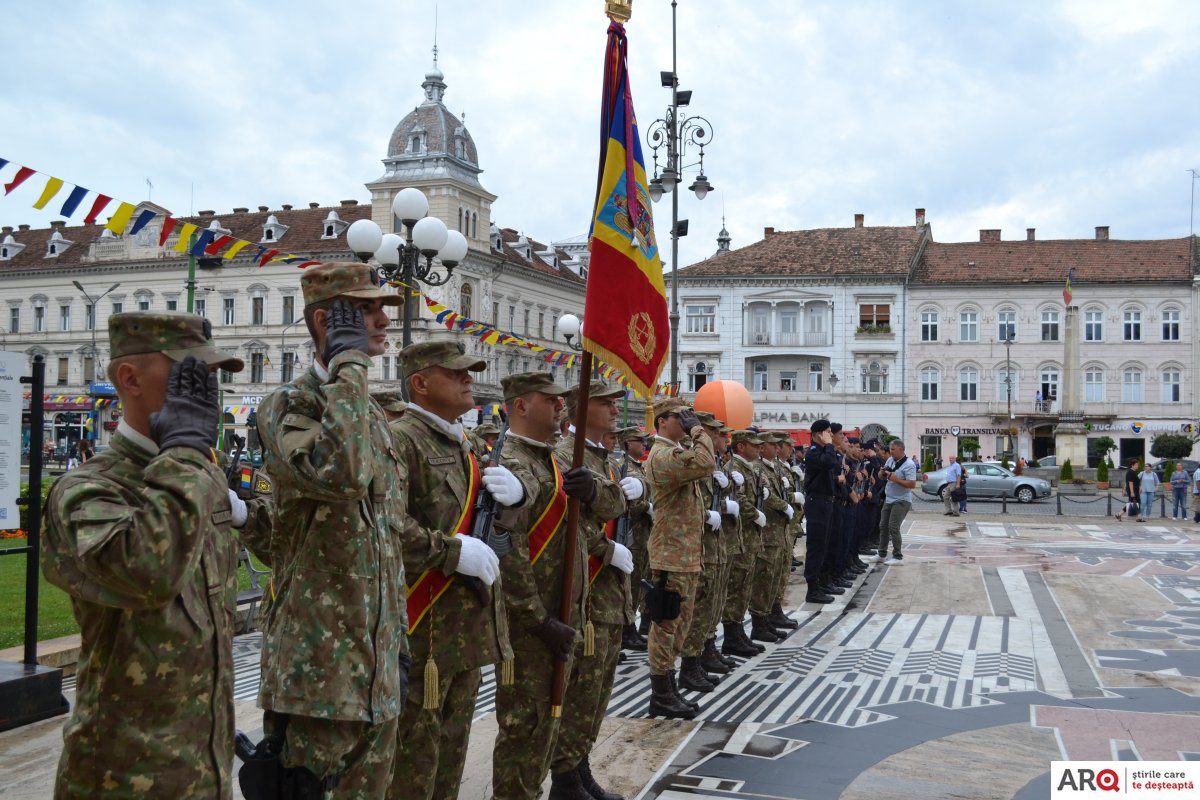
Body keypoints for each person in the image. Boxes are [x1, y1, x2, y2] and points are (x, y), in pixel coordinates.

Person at [42, 312, 270, 798]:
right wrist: (186, 451)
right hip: (121, 777)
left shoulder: (199, 475)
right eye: (191, 375)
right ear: (129, 379)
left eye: (209, 377)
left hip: (203, 768)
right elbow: (148, 572)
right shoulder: (88, 488)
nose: (206, 392)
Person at [255, 262, 411, 796]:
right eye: (367, 310)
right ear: (326, 321)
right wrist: (348, 365)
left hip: (374, 667)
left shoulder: (363, 408)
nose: (383, 322)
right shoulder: (289, 406)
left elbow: (386, 536)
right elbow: (339, 476)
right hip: (317, 676)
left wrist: (399, 648)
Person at [389, 339, 525, 800]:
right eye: (456, 372)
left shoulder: (461, 442)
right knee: (413, 766)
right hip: (420, 632)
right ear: (421, 383)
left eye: (470, 371)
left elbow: (487, 529)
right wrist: (449, 552)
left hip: (463, 632)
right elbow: (386, 527)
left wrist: (516, 500)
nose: (469, 379)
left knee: (449, 762)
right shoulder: (400, 439)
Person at [489, 372, 583, 800]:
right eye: (552, 400)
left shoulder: (547, 458)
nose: (561, 407)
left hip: (555, 616)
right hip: (531, 626)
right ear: (522, 406)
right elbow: (508, 550)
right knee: (523, 731)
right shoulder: (512, 461)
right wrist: (537, 618)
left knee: (545, 726)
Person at [548, 381, 632, 800]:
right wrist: (606, 548)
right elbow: (570, 523)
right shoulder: (567, 455)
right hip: (587, 584)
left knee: (596, 691)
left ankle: (580, 770)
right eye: (605, 402)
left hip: (607, 589)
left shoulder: (605, 459)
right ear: (580, 409)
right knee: (580, 688)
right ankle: (565, 779)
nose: (615, 408)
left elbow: (616, 504)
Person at [643, 399, 715, 720]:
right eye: (680, 417)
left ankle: (669, 685)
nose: (686, 421)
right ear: (662, 422)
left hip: (685, 553)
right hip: (670, 554)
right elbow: (704, 463)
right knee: (666, 625)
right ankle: (660, 691)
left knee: (680, 625)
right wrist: (697, 429)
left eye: (688, 417)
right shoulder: (662, 455)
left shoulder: (674, 452)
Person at [679, 412, 736, 690]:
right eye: (716, 434)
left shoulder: (716, 465)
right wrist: (715, 512)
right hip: (699, 544)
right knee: (699, 605)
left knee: (712, 602)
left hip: (716, 542)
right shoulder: (693, 461)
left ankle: (705, 650)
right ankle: (691, 663)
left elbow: (718, 499)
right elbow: (691, 502)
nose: (722, 439)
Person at [720, 429, 767, 657]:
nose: (758, 448)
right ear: (740, 447)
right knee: (736, 586)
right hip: (740, 534)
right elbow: (739, 498)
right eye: (753, 444)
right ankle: (731, 635)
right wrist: (754, 513)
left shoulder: (748, 467)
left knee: (745, 584)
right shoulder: (734, 469)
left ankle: (738, 631)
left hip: (749, 536)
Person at [617, 427, 652, 651]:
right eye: (639, 441)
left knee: (638, 582)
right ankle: (625, 631)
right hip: (632, 534)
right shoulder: (623, 467)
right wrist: (646, 506)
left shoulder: (639, 467)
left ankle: (631, 628)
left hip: (644, 535)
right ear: (627, 443)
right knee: (629, 583)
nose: (644, 445)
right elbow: (625, 500)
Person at [803, 420, 838, 604]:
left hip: (825, 503)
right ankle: (812, 589)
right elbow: (829, 462)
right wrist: (830, 445)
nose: (830, 436)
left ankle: (821, 583)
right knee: (816, 546)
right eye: (827, 432)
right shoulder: (814, 452)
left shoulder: (824, 451)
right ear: (817, 434)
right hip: (816, 503)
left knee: (824, 544)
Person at [876, 439, 918, 566]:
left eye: (893, 449)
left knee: (893, 527)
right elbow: (881, 476)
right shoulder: (890, 460)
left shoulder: (909, 464)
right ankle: (881, 554)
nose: (890, 451)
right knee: (883, 526)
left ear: (901, 449)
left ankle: (897, 556)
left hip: (902, 500)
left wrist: (896, 479)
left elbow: (912, 484)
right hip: (889, 498)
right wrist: (882, 473)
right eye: (890, 449)